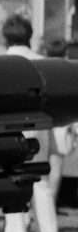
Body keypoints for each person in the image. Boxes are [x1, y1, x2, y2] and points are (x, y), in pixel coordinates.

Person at [2, 14, 58, 232]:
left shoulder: (1, 63)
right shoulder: (43, 61)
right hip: (40, 123)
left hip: (13, 126)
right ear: (30, 36)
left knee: (15, 179)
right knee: (41, 181)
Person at [43, 38, 77, 209]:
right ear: (65, 53)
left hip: (42, 124)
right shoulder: (67, 71)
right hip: (62, 125)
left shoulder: (40, 69)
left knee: (39, 171)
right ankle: (51, 204)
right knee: (56, 167)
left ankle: (39, 209)